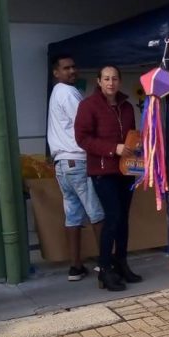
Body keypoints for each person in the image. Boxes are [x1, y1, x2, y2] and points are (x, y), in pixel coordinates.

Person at [74, 65, 140, 291]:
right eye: (106, 79)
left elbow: (132, 137)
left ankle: (121, 262)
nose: (110, 83)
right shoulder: (88, 106)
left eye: (114, 79)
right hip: (103, 171)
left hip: (126, 170)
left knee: (123, 219)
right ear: (99, 81)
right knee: (112, 217)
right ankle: (104, 268)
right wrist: (113, 148)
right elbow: (82, 139)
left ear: (119, 81)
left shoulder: (127, 107)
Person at [47, 54, 105, 282]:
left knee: (72, 216)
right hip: (77, 160)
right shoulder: (69, 93)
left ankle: (75, 266)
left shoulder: (56, 92)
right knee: (97, 213)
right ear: (56, 72)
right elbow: (85, 124)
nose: (72, 71)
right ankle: (106, 263)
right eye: (66, 68)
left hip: (62, 163)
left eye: (73, 67)